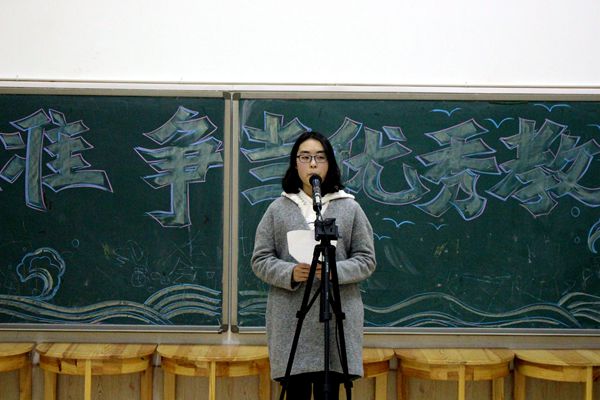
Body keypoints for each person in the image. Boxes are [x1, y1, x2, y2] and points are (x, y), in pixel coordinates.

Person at [251, 131, 376, 400]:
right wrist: (290, 272)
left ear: (329, 163)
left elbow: (366, 260)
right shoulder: (278, 209)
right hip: (291, 319)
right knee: (295, 392)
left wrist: (334, 271)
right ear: (295, 163)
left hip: (336, 318)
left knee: (329, 392)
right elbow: (260, 260)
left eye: (320, 157)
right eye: (305, 157)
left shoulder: (349, 208)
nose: (312, 164)